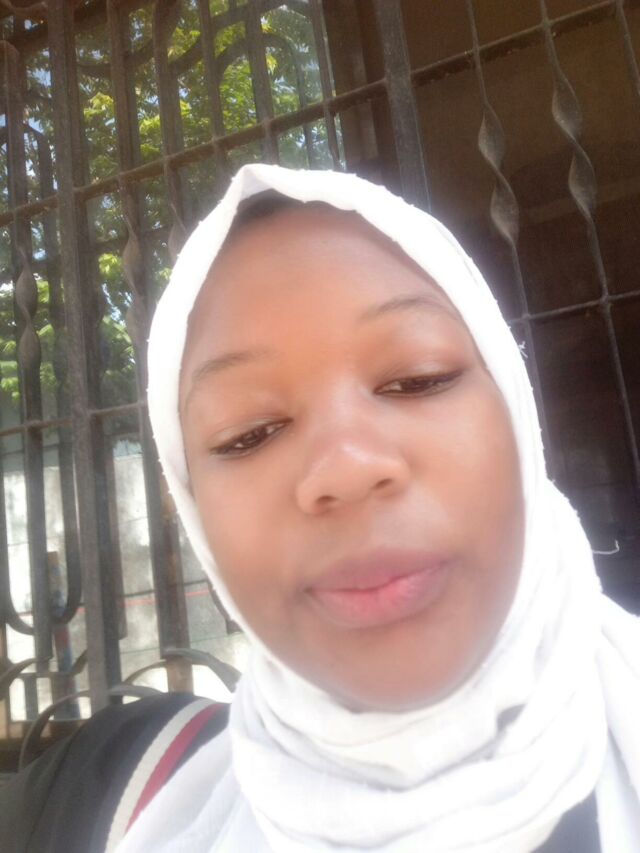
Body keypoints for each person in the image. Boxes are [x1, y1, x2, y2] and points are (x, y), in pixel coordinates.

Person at [1, 163, 639, 852]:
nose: (345, 468)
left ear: (515, 410)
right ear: (189, 505)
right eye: (249, 433)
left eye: (417, 378)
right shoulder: (97, 799)